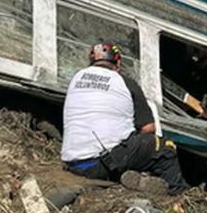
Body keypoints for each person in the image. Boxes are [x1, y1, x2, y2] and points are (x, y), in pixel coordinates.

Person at [60, 43, 189, 195]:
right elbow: (148, 128)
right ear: (118, 63)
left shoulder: (76, 78)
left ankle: (132, 179)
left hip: (72, 163)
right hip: (100, 164)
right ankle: (177, 197)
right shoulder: (125, 82)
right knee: (164, 148)